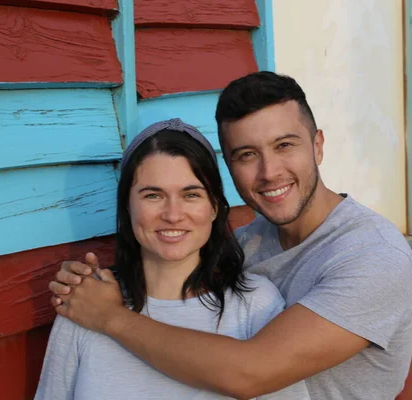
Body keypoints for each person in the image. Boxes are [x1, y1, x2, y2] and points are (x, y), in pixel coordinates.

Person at [49, 72, 412, 399]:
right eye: (246, 155)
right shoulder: (246, 245)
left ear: (318, 145)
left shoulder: (374, 256)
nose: (269, 171)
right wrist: (82, 285)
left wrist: (110, 317)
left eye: (284, 145)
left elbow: (249, 373)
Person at [35, 119, 310, 399]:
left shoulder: (255, 305)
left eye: (191, 195)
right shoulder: (85, 304)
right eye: (153, 195)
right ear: (127, 207)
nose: (173, 214)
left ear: (214, 207)